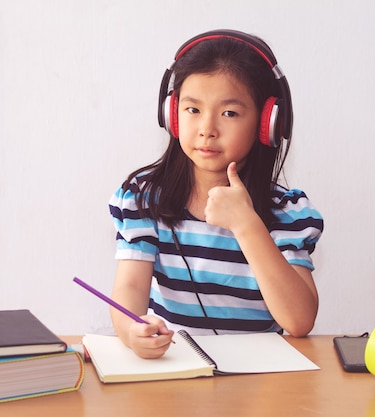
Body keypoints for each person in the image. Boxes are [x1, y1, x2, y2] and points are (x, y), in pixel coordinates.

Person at [108, 29, 324, 359]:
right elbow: (131, 288)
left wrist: (247, 226)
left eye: (229, 113)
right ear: (172, 115)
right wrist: (131, 330)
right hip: (176, 375)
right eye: (193, 110)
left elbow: (299, 321)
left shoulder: (286, 212)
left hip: (261, 386)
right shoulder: (143, 199)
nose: (207, 128)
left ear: (267, 124)